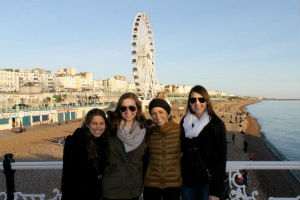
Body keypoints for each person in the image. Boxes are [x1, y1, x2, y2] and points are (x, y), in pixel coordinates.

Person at [180, 85, 227, 200]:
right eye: (193, 100)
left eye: (201, 99)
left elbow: (221, 159)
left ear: (207, 101)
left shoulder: (216, 124)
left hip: (207, 182)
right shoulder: (185, 122)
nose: (197, 103)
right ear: (189, 102)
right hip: (187, 181)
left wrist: (215, 192)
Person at [102, 92, 148, 200]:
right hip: (111, 189)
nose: (128, 111)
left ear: (137, 109)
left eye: (132, 108)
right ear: (119, 110)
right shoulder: (110, 129)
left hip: (133, 189)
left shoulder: (145, 131)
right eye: (123, 108)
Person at [61, 108, 108, 200]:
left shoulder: (105, 142)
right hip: (78, 195)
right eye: (94, 123)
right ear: (87, 125)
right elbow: (67, 176)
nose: (98, 127)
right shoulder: (74, 142)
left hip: (98, 194)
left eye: (101, 124)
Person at [143, 98, 181, 200]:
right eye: (153, 113)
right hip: (151, 184)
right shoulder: (149, 132)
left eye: (161, 112)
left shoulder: (179, 130)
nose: (158, 116)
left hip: (173, 185)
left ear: (167, 113)